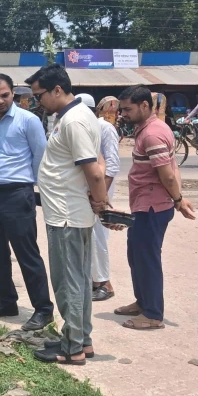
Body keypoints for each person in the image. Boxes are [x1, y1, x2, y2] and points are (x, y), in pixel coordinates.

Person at [27, 64, 109, 366]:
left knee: (68, 283)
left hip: (66, 217)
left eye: (40, 96)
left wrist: (102, 204)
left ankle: (71, 348)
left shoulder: (74, 121)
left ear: (57, 90)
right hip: (70, 213)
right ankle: (81, 340)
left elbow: (94, 171)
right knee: (79, 281)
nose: (39, 102)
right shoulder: (78, 117)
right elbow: (94, 161)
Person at [114, 85, 196, 330]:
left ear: (145, 106)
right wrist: (177, 198)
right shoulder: (151, 129)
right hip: (144, 205)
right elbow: (173, 166)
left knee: (147, 259)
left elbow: (168, 175)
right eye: (122, 109)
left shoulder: (152, 134)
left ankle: (152, 314)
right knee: (136, 255)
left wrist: (179, 200)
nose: (123, 114)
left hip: (152, 207)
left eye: (128, 109)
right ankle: (142, 301)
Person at [0, 74, 54, 331]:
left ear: (13, 93)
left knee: (26, 252)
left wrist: (31, 189)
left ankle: (43, 309)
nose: (0, 101)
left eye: (5, 95)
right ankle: (7, 301)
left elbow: (40, 158)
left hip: (18, 194)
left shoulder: (28, 121)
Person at [75, 94, 121, 302]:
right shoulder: (82, 128)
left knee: (98, 234)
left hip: (101, 188)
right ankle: (93, 279)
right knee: (89, 235)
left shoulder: (104, 128)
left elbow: (111, 164)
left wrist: (100, 196)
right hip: (86, 190)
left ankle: (104, 283)